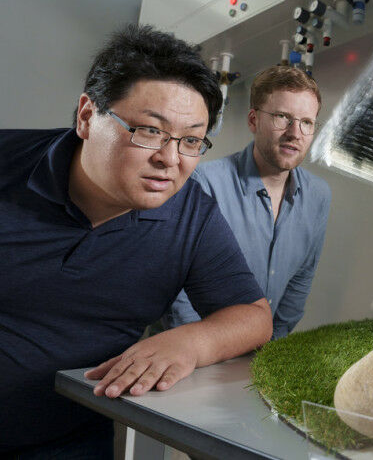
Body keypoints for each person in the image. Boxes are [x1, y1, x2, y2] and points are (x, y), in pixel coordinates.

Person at [0, 24, 272, 458]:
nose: (169, 159)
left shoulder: (191, 214)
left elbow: (253, 316)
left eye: (191, 140)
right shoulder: (8, 163)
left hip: (68, 440)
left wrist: (191, 343)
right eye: (149, 130)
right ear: (87, 117)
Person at [165, 66, 330, 339]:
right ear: (253, 120)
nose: (295, 133)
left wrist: (268, 348)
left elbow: (301, 280)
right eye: (282, 117)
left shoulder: (318, 196)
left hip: (261, 356)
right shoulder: (203, 183)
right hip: (194, 353)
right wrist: (201, 351)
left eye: (306, 122)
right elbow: (178, 290)